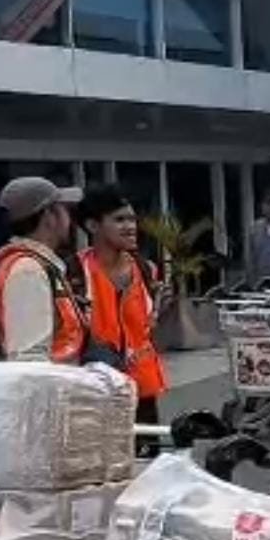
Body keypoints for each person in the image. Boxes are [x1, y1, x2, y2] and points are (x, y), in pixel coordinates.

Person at [76, 184, 168, 441]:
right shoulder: (74, 274)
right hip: (96, 393)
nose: (130, 227)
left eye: (132, 219)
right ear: (93, 226)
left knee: (146, 458)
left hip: (143, 393)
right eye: (119, 220)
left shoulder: (146, 270)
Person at [0, 176, 86, 362]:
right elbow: (29, 359)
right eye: (64, 210)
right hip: (51, 380)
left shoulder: (38, 266)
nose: (69, 219)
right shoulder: (28, 271)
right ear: (49, 216)